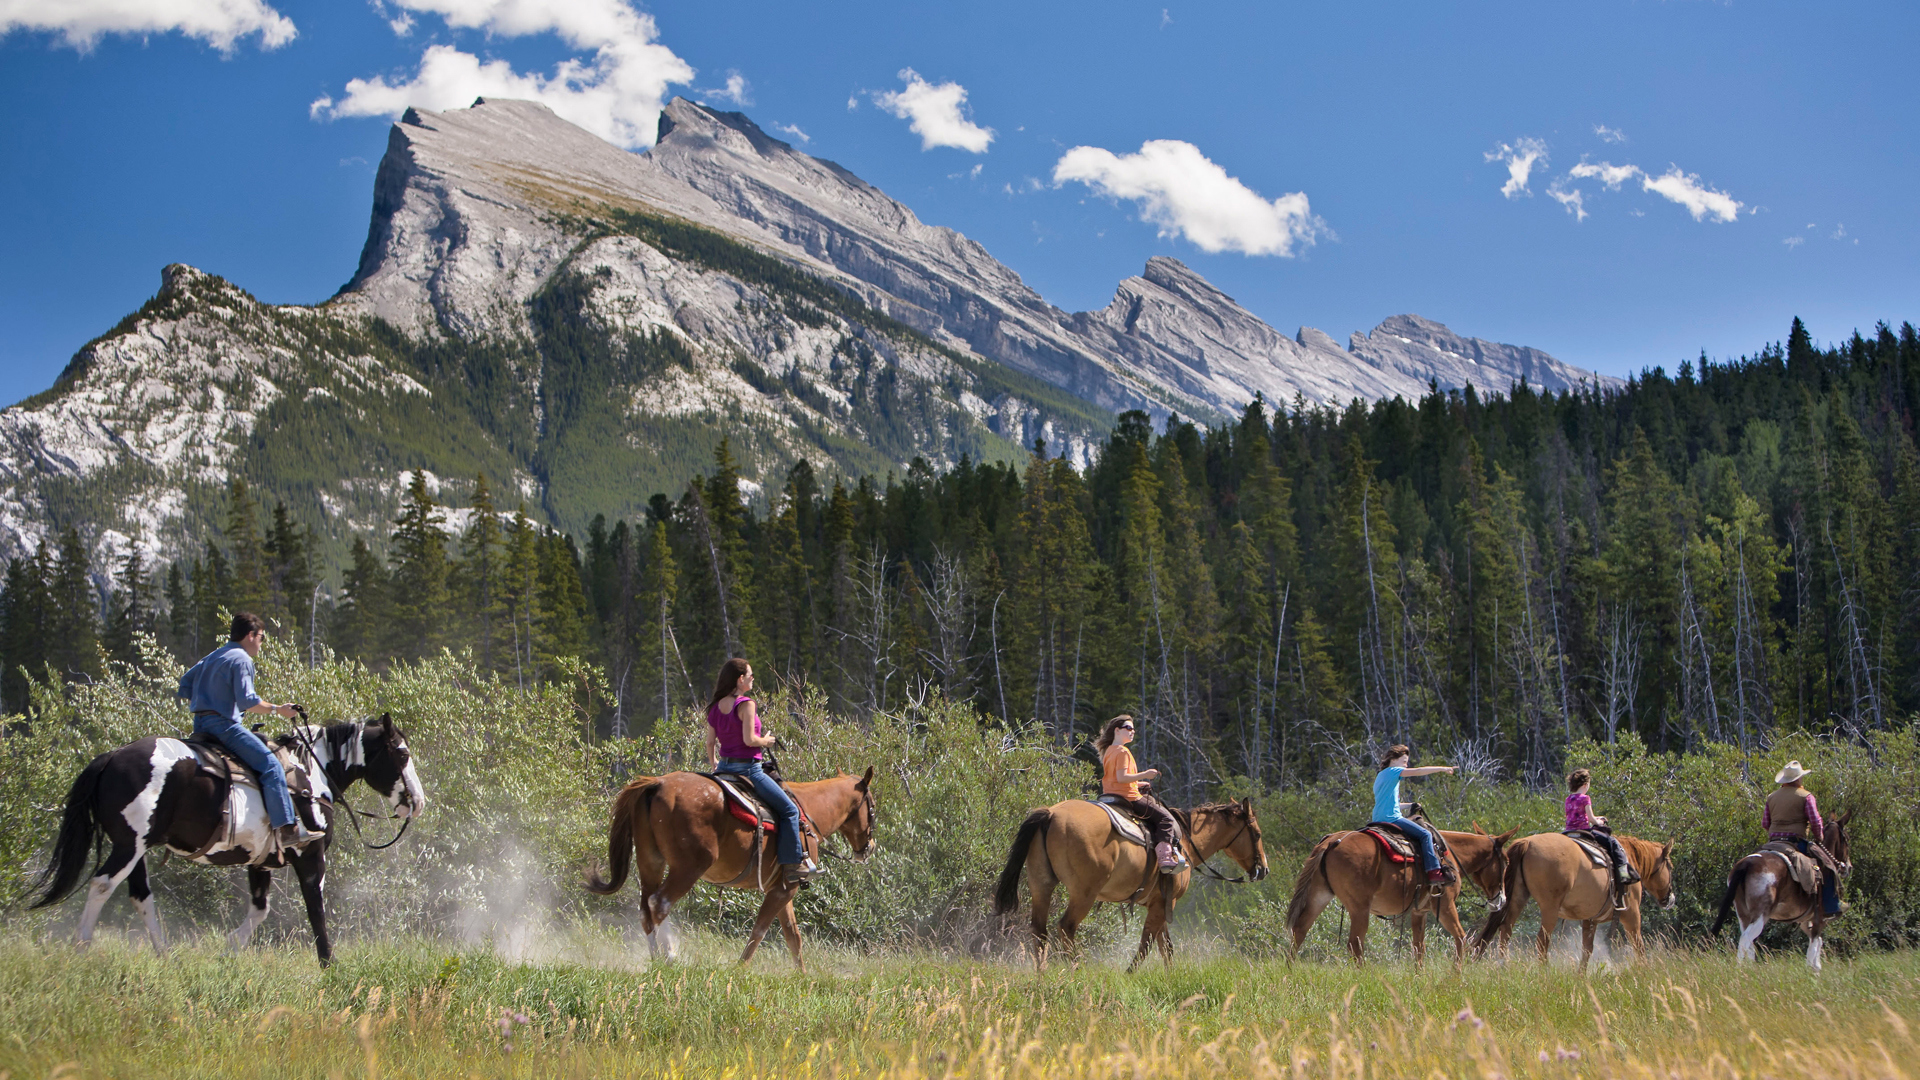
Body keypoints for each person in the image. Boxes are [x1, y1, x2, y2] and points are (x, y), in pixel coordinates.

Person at [176, 612, 317, 854]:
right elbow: (249, 701)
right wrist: (278, 710)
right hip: (224, 728)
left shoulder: (213, 656)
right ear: (250, 635)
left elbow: (184, 685)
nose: (262, 643)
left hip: (200, 726)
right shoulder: (242, 660)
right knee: (271, 766)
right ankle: (287, 829)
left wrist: (209, 696)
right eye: (261, 637)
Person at [704, 658, 822, 886]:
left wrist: (714, 765)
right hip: (749, 769)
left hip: (724, 769)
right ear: (740, 679)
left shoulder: (715, 706)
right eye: (750, 675)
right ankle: (793, 864)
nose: (752, 679)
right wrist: (766, 741)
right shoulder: (746, 704)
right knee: (789, 810)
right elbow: (750, 739)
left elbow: (710, 743)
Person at [1094, 715, 1184, 872]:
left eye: (1133, 729)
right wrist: (1145, 774)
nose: (1132, 731)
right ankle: (1164, 859)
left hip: (1110, 794)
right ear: (1117, 730)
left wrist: (1137, 783)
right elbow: (1122, 778)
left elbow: (1115, 778)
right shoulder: (1123, 751)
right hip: (1128, 797)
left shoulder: (1109, 750)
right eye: (1128, 728)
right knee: (1166, 819)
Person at [1763, 760, 1842, 916]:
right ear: (1798, 779)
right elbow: (1815, 821)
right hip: (1796, 842)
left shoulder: (1771, 797)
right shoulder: (1806, 796)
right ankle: (1831, 907)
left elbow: (1765, 823)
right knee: (1828, 866)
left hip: (1772, 844)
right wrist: (1819, 836)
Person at [1372, 745, 1456, 885]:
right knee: (1425, 835)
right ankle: (1434, 871)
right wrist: (1442, 768)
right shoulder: (1394, 771)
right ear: (1393, 759)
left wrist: (1410, 805)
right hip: (1392, 818)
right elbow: (1418, 771)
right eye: (1404, 761)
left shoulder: (1381, 776)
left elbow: (1392, 804)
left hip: (1377, 819)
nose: (1406, 765)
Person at [1564, 768, 1636, 911]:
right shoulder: (1585, 798)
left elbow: (1576, 817)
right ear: (1585, 785)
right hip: (1584, 830)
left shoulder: (1568, 799)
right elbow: (1590, 819)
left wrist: (1596, 819)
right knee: (1613, 843)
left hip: (1568, 831)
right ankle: (1624, 874)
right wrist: (1600, 822)